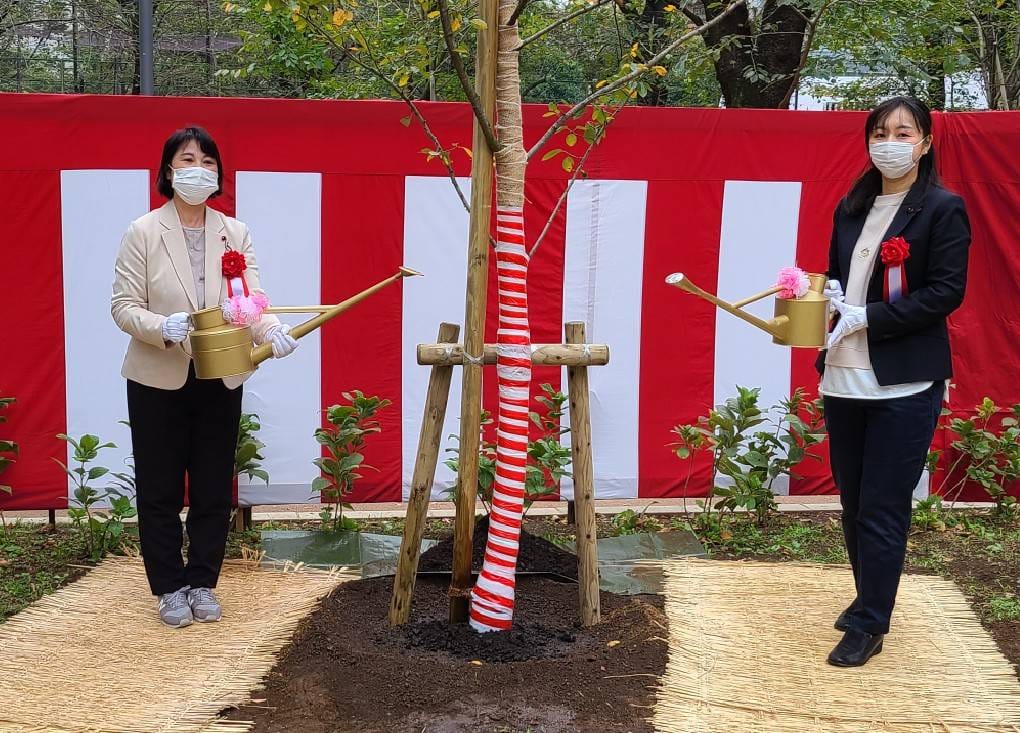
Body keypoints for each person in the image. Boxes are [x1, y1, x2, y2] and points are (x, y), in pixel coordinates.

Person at [111, 126, 299, 628]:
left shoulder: (233, 232)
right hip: (157, 375)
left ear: (218, 174)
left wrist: (274, 330)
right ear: (169, 171)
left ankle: (202, 582)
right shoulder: (143, 231)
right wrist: (161, 327)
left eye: (209, 161)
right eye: (188, 159)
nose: (199, 169)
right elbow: (122, 307)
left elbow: (250, 303)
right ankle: (169, 587)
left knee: (215, 485)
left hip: (221, 372)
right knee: (160, 487)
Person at [817, 96, 970, 666]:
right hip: (843, 375)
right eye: (880, 132)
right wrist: (826, 298)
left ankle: (869, 623)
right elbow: (841, 274)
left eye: (903, 132)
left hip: (904, 383)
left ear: (925, 142)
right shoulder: (852, 205)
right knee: (856, 501)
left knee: (883, 506)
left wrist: (872, 317)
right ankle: (868, 596)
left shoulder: (942, 208)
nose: (890, 141)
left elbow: (946, 292)